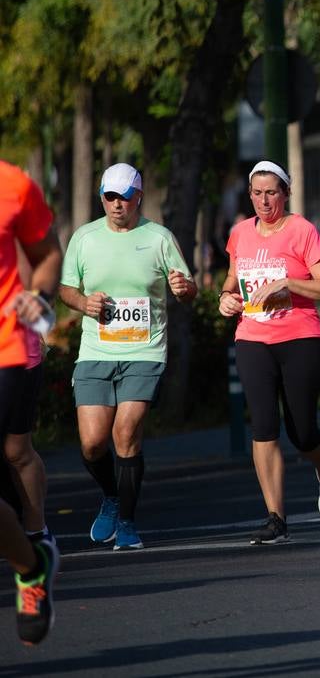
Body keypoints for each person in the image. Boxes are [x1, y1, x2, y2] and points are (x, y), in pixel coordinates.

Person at [58, 164, 197, 551]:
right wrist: (85, 303)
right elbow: (67, 289)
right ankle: (112, 495)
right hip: (95, 351)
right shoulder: (84, 238)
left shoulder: (159, 238)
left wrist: (183, 287)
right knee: (91, 444)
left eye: (125, 197)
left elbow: (189, 290)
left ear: (139, 197)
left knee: (125, 433)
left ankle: (129, 522)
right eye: (110, 197)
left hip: (144, 349)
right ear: (101, 196)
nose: (117, 205)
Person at [219, 161, 320, 545]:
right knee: (263, 427)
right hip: (253, 338)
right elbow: (232, 278)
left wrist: (288, 283)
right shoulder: (240, 233)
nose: (263, 200)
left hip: (299, 337)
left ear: (285, 193)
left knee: (303, 433)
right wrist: (226, 297)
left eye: (271, 192)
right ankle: (276, 517)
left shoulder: (302, 230)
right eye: (256, 193)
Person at [1, 159, 61, 645]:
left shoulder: (13, 186)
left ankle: (33, 547)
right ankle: (30, 560)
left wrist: (37, 298)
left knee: (17, 451)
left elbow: (46, 255)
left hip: (8, 347)